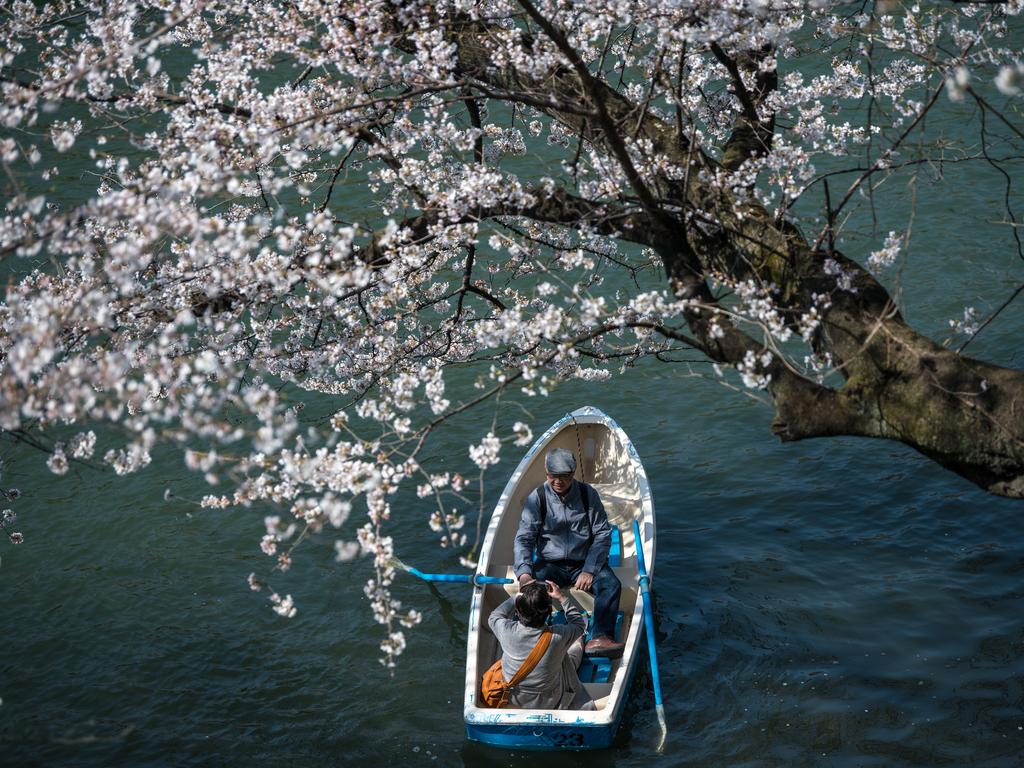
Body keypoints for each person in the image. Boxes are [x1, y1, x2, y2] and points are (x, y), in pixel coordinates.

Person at [513, 447, 625, 658]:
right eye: (553, 475)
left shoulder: (587, 494)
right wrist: (524, 573)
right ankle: (532, 636)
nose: (558, 481)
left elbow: (602, 534)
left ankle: (600, 637)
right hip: (550, 565)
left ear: (573, 474)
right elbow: (524, 538)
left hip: (583, 562)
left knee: (611, 585)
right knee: (529, 592)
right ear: (546, 472)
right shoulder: (537, 498)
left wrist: (590, 570)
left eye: (564, 476)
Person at [487, 580, 594, 710]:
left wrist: (517, 595)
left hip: (512, 697)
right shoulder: (558, 635)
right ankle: (577, 647)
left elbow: (494, 617)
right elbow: (579, 624)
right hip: (547, 701)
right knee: (568, 655)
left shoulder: (506, 630)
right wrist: (561, 597)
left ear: (518, 609)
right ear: (548, 610)